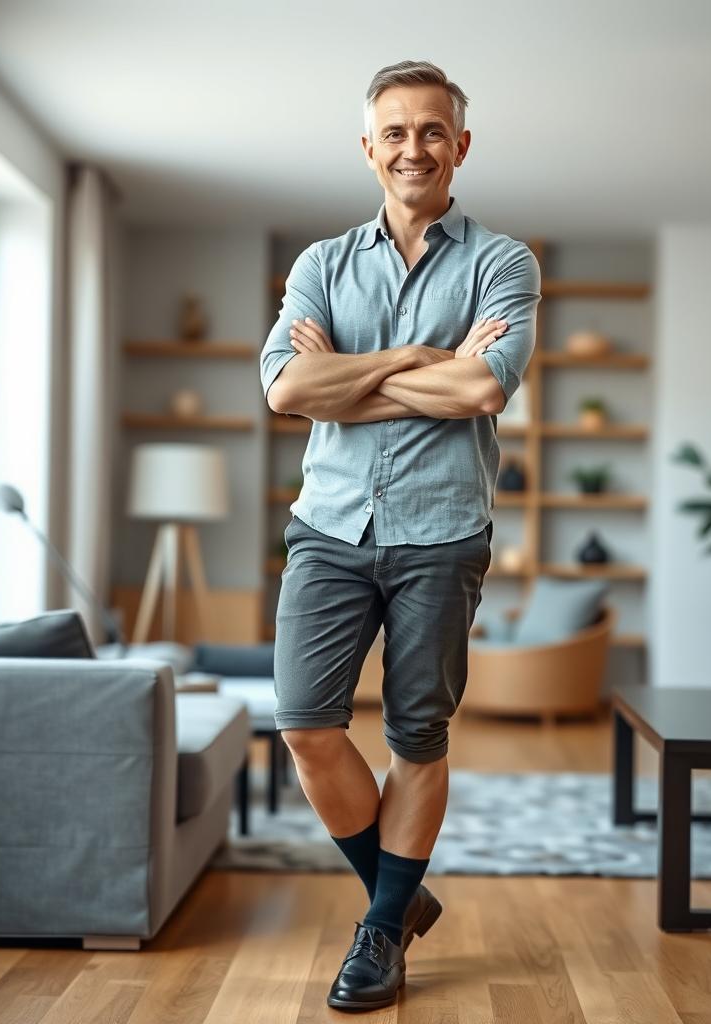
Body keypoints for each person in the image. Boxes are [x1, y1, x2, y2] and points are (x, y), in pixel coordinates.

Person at [258, 59, 541, 1012]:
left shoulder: (503, 263)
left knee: (418, 734)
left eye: (432, 131)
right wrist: (424, 361)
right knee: (304, 722)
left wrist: (354, 375)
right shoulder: (320, 266)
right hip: (329, 527)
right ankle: (402, 890)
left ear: (459, 147)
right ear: (369, 147)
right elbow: (287, 390)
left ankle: (379, 933)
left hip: (442, 533)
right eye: (395, 131)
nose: (412, 147)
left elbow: (486, 388)